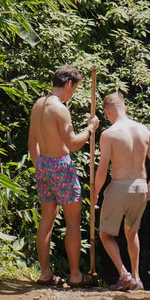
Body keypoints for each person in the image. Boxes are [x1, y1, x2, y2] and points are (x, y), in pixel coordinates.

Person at [28, 64, 100, 287]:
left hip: (43, 165)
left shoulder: (38, 105)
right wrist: (90, 129)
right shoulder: (60, 109)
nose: (73, 93)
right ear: (68, 83)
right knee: (72, 222)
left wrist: (40, 166)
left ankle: (45, 273)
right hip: (61, 166)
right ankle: (76, 275)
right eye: (74, 88)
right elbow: (72, 143)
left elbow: (32, 143)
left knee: (46, 221)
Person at [92, 93, 150, 291]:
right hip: (140, 186)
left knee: (105, 234)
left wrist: (96, 193)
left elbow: (102, 169)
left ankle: (124, 274)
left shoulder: (109, 134)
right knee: (132, 233)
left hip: (119, 186)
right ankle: (137, 277)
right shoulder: (143, 130)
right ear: (125, 108)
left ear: (107, 112)